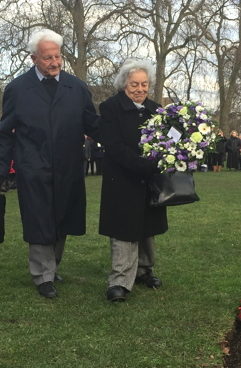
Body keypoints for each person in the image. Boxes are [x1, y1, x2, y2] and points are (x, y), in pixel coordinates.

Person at [0, 29, 100, 299]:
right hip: (33, 166)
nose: (55, 62)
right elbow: (4, 133)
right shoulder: (17, 89)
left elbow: (93, 123)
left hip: (68, 166)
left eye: (58, 56)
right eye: (48, 57)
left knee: (63, 217)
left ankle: (52, 267)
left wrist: (125, 135)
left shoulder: (77, 87)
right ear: (34, 59)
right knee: (40, 219)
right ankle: (43, 275)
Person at [98, 58, 168, 302]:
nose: (139, 89)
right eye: (134, 85)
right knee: (123, 230)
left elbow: (166, 142)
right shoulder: (110, 108)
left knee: (147, 228)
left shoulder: (156, 109)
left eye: (144, 84)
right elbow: (114, 147)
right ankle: (119, 280)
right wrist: (144, 165)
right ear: (123, 85)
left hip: (148, 181)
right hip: (123, 179)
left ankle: (144, 270)